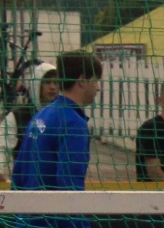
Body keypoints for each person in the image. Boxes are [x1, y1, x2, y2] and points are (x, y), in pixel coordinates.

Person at [15, 49, 102, 192]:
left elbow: (18, 171)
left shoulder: (40, 116)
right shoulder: (74, 124)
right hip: (51, 206)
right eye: (95, 81)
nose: (98, 88)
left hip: (25, 205)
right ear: (81, 81)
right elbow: (70, 183)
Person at [0, 61, 57, 183]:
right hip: (25, 183)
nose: (52, 87)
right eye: (47, 82)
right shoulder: (17, 116)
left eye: (56, 83)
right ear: (37, 85)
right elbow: (1, 146)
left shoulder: (63, 116)